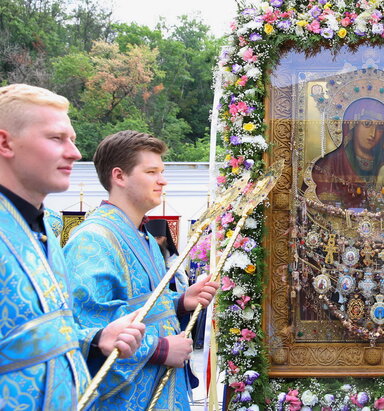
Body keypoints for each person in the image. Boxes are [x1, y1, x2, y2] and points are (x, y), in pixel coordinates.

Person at [0, 84, 145, 409]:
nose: (75, 153)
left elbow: (37, 334)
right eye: (56, 138)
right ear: (5, 142)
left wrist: (95, 339)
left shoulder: (42, 228)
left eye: (73, 140)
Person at [64, 130, 220, 409]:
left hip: (159, 388)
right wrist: (160, 349)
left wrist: (182, 301)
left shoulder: (145, 237)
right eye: (151, 171)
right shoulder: (92, 240)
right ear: (119, 176)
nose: (162, 180)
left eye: (161, 171)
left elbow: (141, 304)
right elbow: (85, 326)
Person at [311, 97, 384, 209]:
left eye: (380, 127)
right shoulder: (331, 164)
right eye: (367, 124)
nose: (373, 134)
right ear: (353, 125)